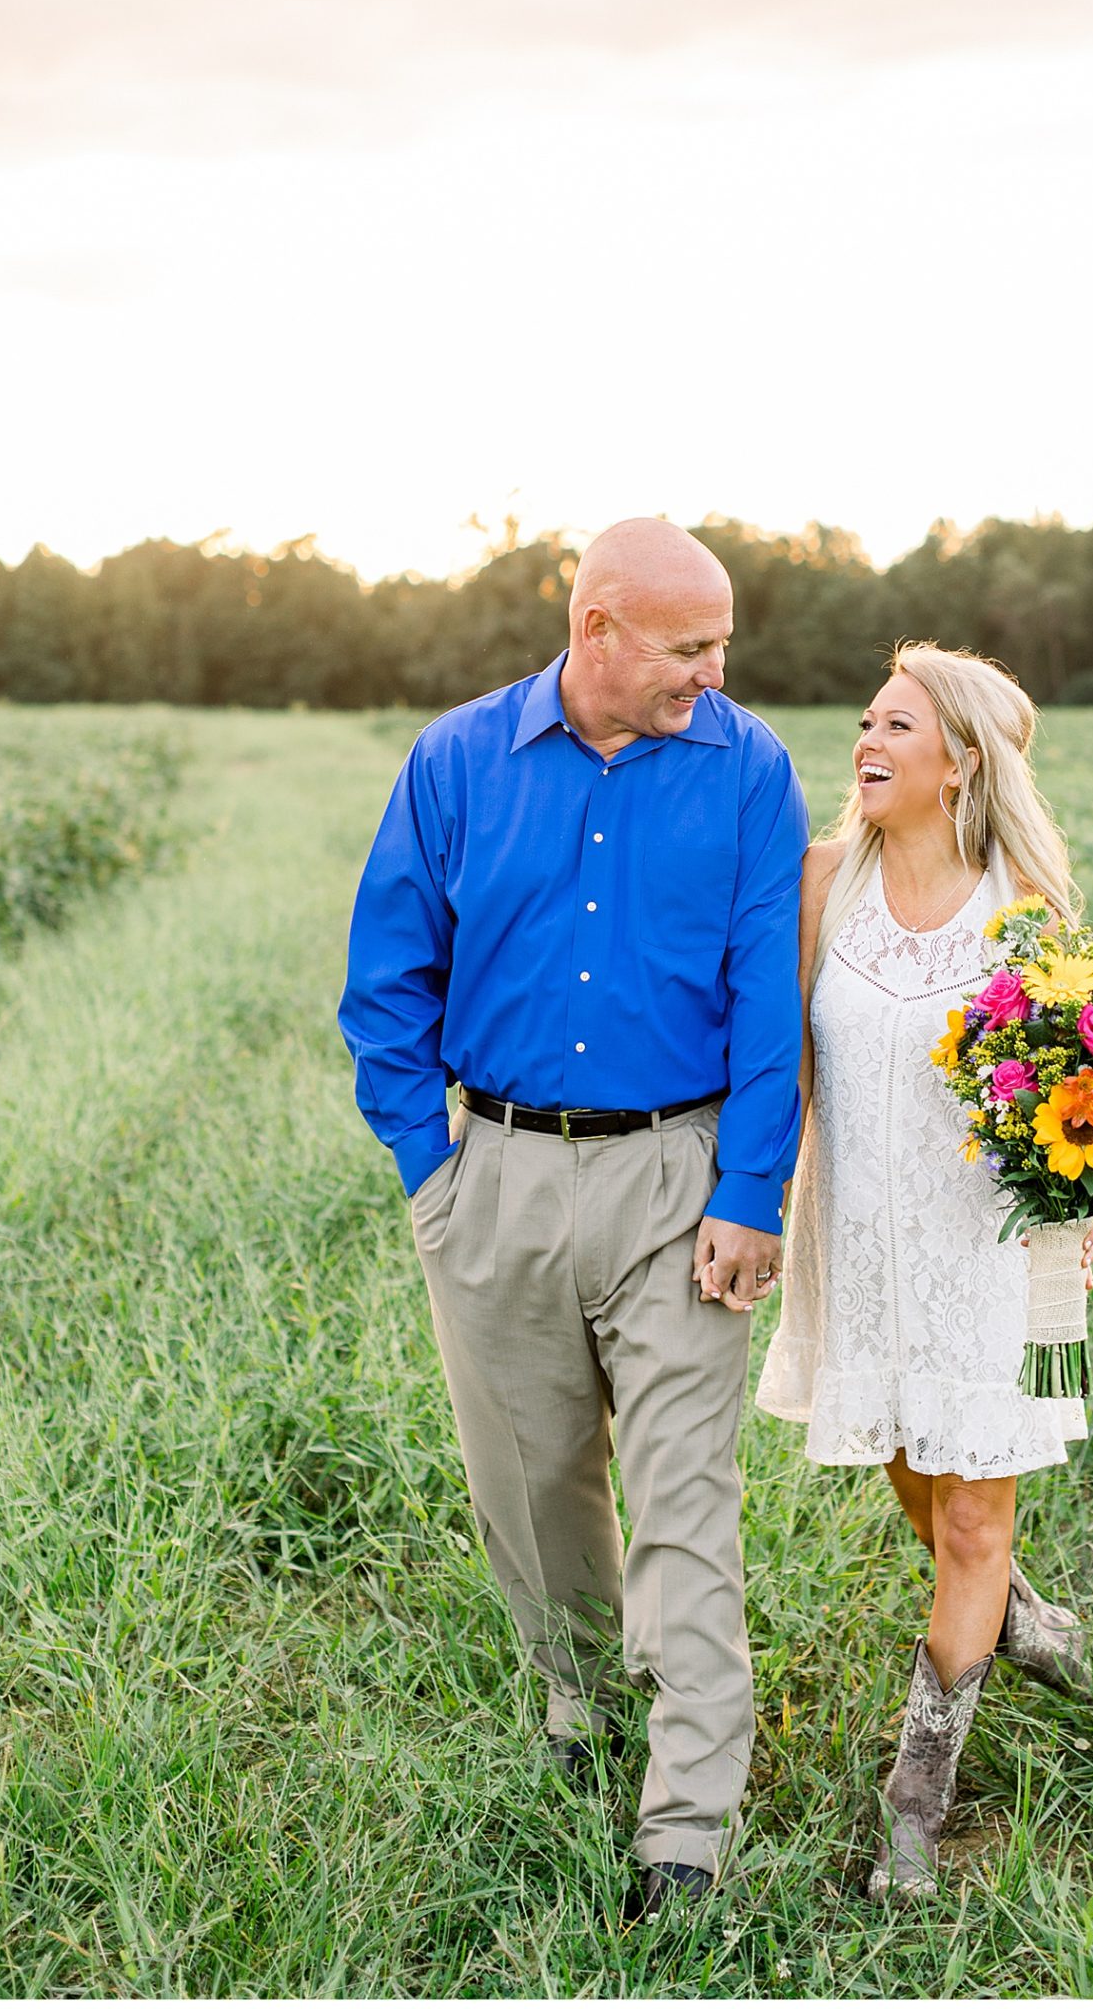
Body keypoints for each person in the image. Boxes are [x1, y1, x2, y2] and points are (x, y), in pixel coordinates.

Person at [338, 519, 806, 1919]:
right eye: (689, 646)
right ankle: (579, 1711)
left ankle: (688, 1817)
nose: (714, 672)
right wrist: (437, 1174)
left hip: (680, 1179)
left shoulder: (749, 768)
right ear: (595, 627)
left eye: (724, 644)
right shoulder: (457, 762)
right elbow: (386, 984)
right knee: (533, 1488)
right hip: (498, 1178)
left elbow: (767, 1000)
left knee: (684, 1502)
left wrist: (747, 1193)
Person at [757, 641, 1093, 1897]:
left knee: (969, 1515)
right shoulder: (822, 885)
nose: (869, 740)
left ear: (959, 761)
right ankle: (1020, 1617)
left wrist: (1074, 1224)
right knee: (910, 1468)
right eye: (866, 719)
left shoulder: (1021, 912)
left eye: (898, 725)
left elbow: (1078, 1093)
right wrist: (755, 1198)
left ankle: (915, 1803)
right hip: (857, 1245)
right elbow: (783, 1064)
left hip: (983, 1254)